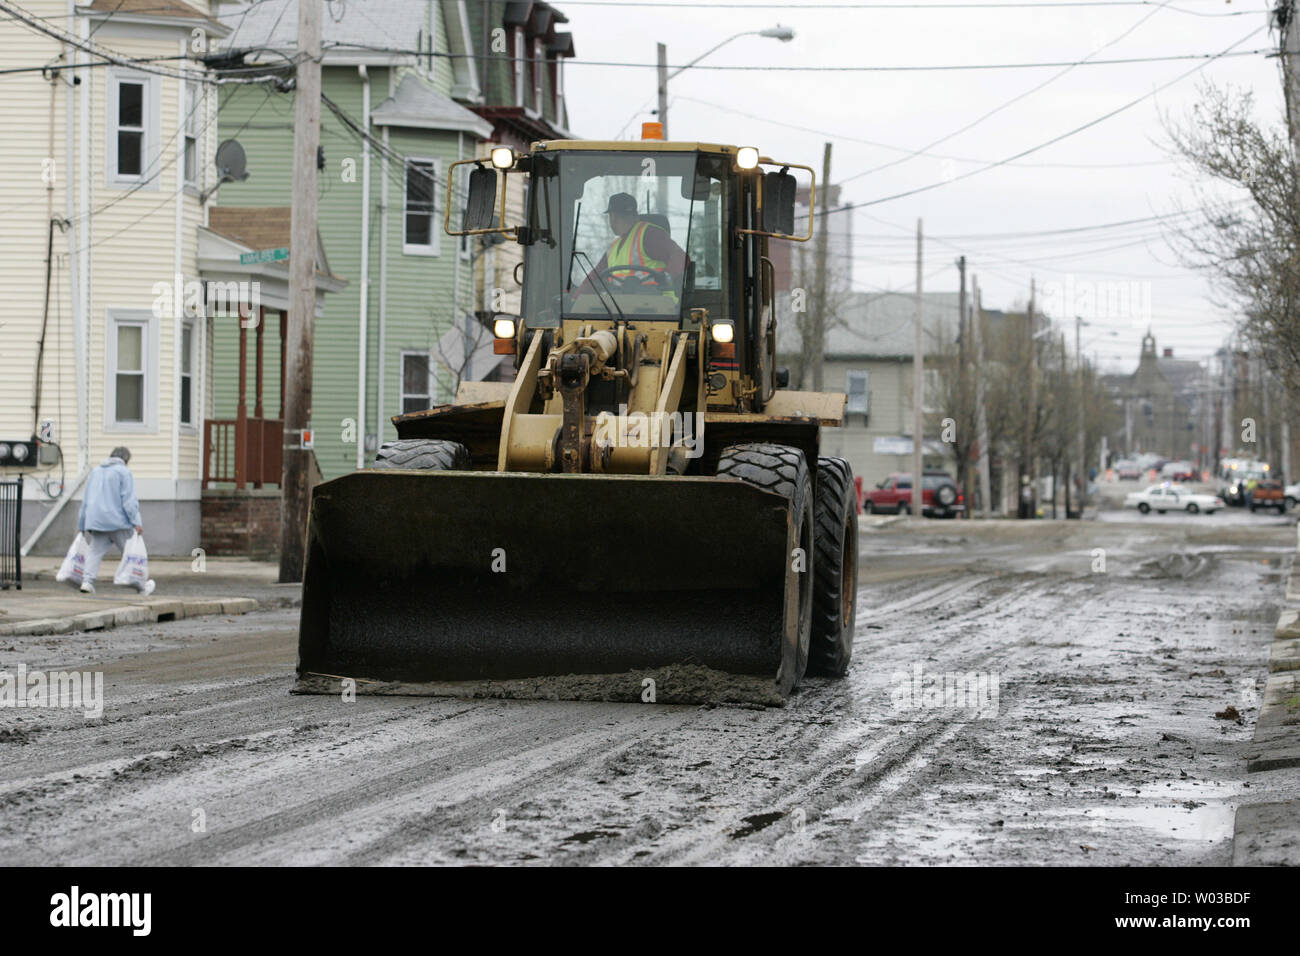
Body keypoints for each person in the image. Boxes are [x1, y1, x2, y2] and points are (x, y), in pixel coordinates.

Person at [75, 447, 155, 596]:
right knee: (131, 552)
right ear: (126, 459)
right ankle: (141, 586)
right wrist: (136, 521)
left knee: (94, 552)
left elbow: (85, 501)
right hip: (118, 521)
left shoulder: (95, 472)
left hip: (97, 521)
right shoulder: (124, 472)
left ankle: (87, 582)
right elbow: (128, 501)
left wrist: (81, 524)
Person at [578, 192, 686, 299]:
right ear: (635, 215)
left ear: (613, 217)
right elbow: (594, 280)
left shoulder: (650, 234)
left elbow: (680, 258)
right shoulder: (612, 248)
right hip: (621, 310)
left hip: (660, 310)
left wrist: (666, 278)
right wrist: (574, 301)